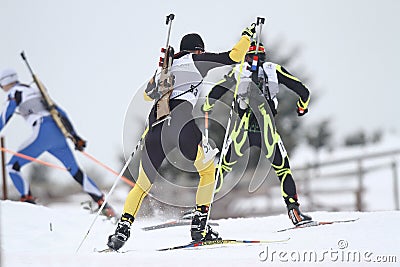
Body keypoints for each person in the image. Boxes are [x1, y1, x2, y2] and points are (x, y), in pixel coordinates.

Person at [106, 24, 256, 251]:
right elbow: (234, 56)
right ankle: (200, 227)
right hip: (182, 124)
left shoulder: (164, 69)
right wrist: (247, 37)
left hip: (156, 128)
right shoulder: (196, 61)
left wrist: (162, 75)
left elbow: (148, 96)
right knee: (207, 171)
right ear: (197, 50)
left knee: (142, 185)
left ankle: (122, 229)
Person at [203, 41, 312, 225]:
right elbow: (304, 91)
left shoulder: (238, 72)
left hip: (241, 132)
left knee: (222, 169)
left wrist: (207, 106)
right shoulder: (273, 69)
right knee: (283, 169)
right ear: (264, 56)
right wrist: (302, 108)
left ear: (246, 57)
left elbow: (216, 91)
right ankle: (294, 211)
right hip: (266, 130)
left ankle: (199, 211)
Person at [0, 68, 116, 217]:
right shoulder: (35, 90)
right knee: (76, 171)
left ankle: (27, 200)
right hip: (58, 134)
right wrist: (75, 137)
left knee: (12, 167)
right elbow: (61, 112)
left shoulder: (15, 92)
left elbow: (5, 116)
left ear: (5, 82)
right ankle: (104, 205)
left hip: (42, 131)